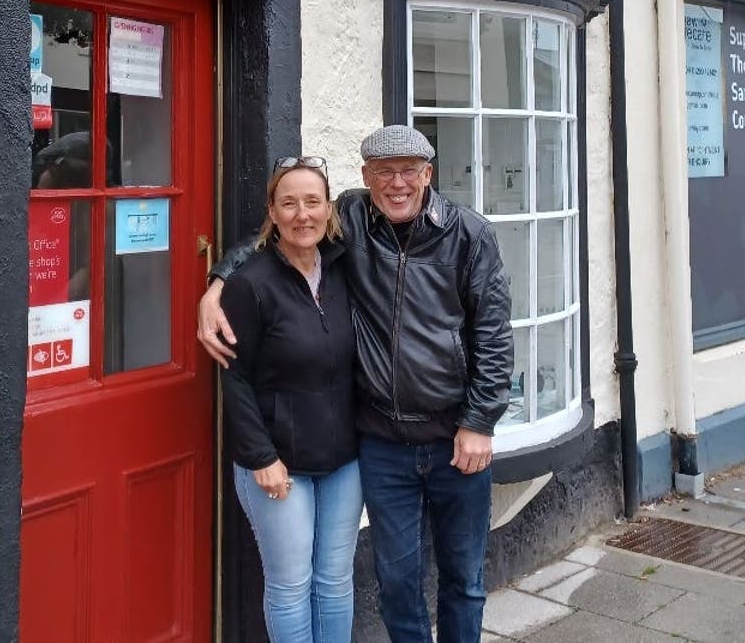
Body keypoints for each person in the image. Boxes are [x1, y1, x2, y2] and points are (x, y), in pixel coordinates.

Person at [201, 126, 513, 643]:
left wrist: (480, 421)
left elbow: (494, 335)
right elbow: (280, 231)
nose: (397, 183)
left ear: (428, 174)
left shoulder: (470, 235)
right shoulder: (350, 218)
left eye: (409, 170)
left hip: (456, 441)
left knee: (464, 579)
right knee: (395, 582)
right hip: (382, 444)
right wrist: (217, 283)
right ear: (365, 178)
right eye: (383, 172)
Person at [220, 156, 363, 643]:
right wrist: (261, 457)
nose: (303, 215)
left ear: (329, 210)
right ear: (273, 213)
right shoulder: (250, 284)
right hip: (278, 462)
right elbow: (235, 379)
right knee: (290, 585)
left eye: (313, 202)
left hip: (344, 458)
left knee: (335, 581)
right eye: (289, 203)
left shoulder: (345, 269)